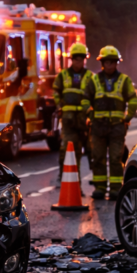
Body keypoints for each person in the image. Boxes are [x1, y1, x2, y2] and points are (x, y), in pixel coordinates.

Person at [84, 45, 137, 199]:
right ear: (102, 63)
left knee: (115, 158)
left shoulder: (124, 80)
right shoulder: (93, 80)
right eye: (107, 62)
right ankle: (100, 188)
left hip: (117, 127)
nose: (110, 65)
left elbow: (133, 100)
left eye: (112, 62)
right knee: (98, 158)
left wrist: (128, 117)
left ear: (116, 63)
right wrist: (90, 114)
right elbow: (85, 99)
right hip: (98, 126)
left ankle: (115, 188)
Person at [54, 43, 95, 177]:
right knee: (68, 149)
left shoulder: (91, 76)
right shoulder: (63, 75)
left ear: (84, 59)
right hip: (69, 120)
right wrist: (60, 106)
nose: (78, 61)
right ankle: (65, 177)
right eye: (76, 58)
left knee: (93, 150)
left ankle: (97, 179)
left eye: (81, 58)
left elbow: (96, 95)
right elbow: (56, 92)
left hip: (85, 120)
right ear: (71, 59)